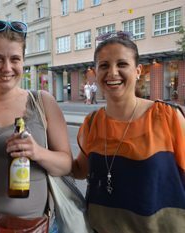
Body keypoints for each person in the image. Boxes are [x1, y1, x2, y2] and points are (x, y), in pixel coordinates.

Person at [0, 20, 73, 233]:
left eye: (15, 59)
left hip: (33, 226)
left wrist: (37, 152)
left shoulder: (43, 102)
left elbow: (65, 164)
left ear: (23, 61)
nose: (7, 68)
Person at [72, 32, 185, 233]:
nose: (112, 72)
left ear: (138, 70)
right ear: (96, 73)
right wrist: (40, 153)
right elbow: (80, 170)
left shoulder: (168, 117)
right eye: (104, 65)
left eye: (122, 64)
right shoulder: (93, 122)